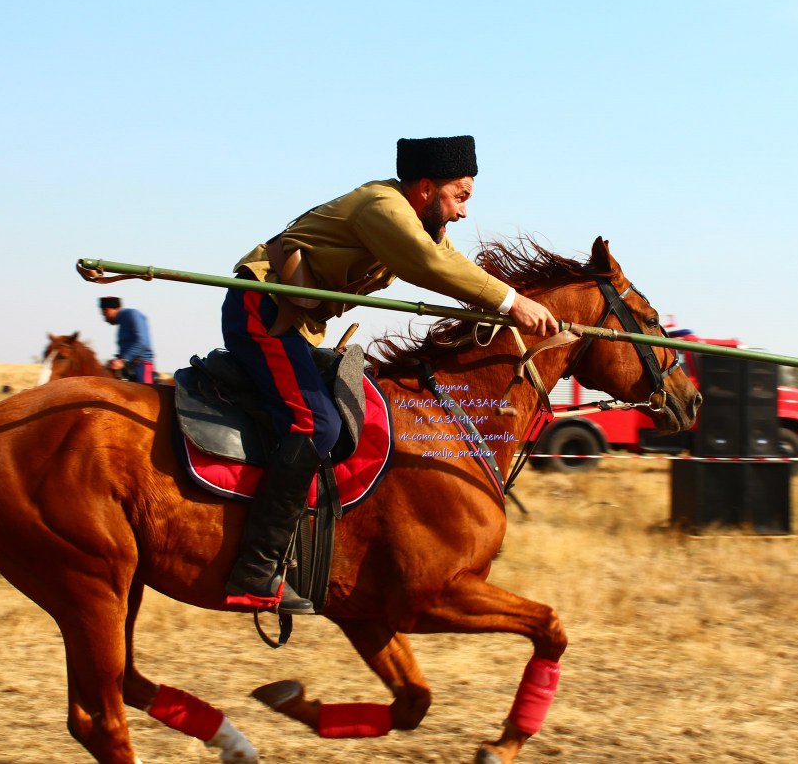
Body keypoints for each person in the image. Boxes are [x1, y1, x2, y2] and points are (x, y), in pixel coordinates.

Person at [221, 134, 559, 614]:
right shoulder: (382, 206)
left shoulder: (410, 216)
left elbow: (445, 258)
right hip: (261, 311)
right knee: (315, 424)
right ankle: (256, 568)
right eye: (460, 195)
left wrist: (501, 304)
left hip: (295, 326)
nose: (464, 212)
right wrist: (512, 301)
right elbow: (430, 263)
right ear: (425, 188)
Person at [98, 297, 155, 383]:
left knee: (142, 394)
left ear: (108, 309)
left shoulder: (132, 314)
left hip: (141, 365)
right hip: (127, 366)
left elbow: (142, 342)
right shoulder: (122, 321)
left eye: (104, 314)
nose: (105, 318)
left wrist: (123, 360)